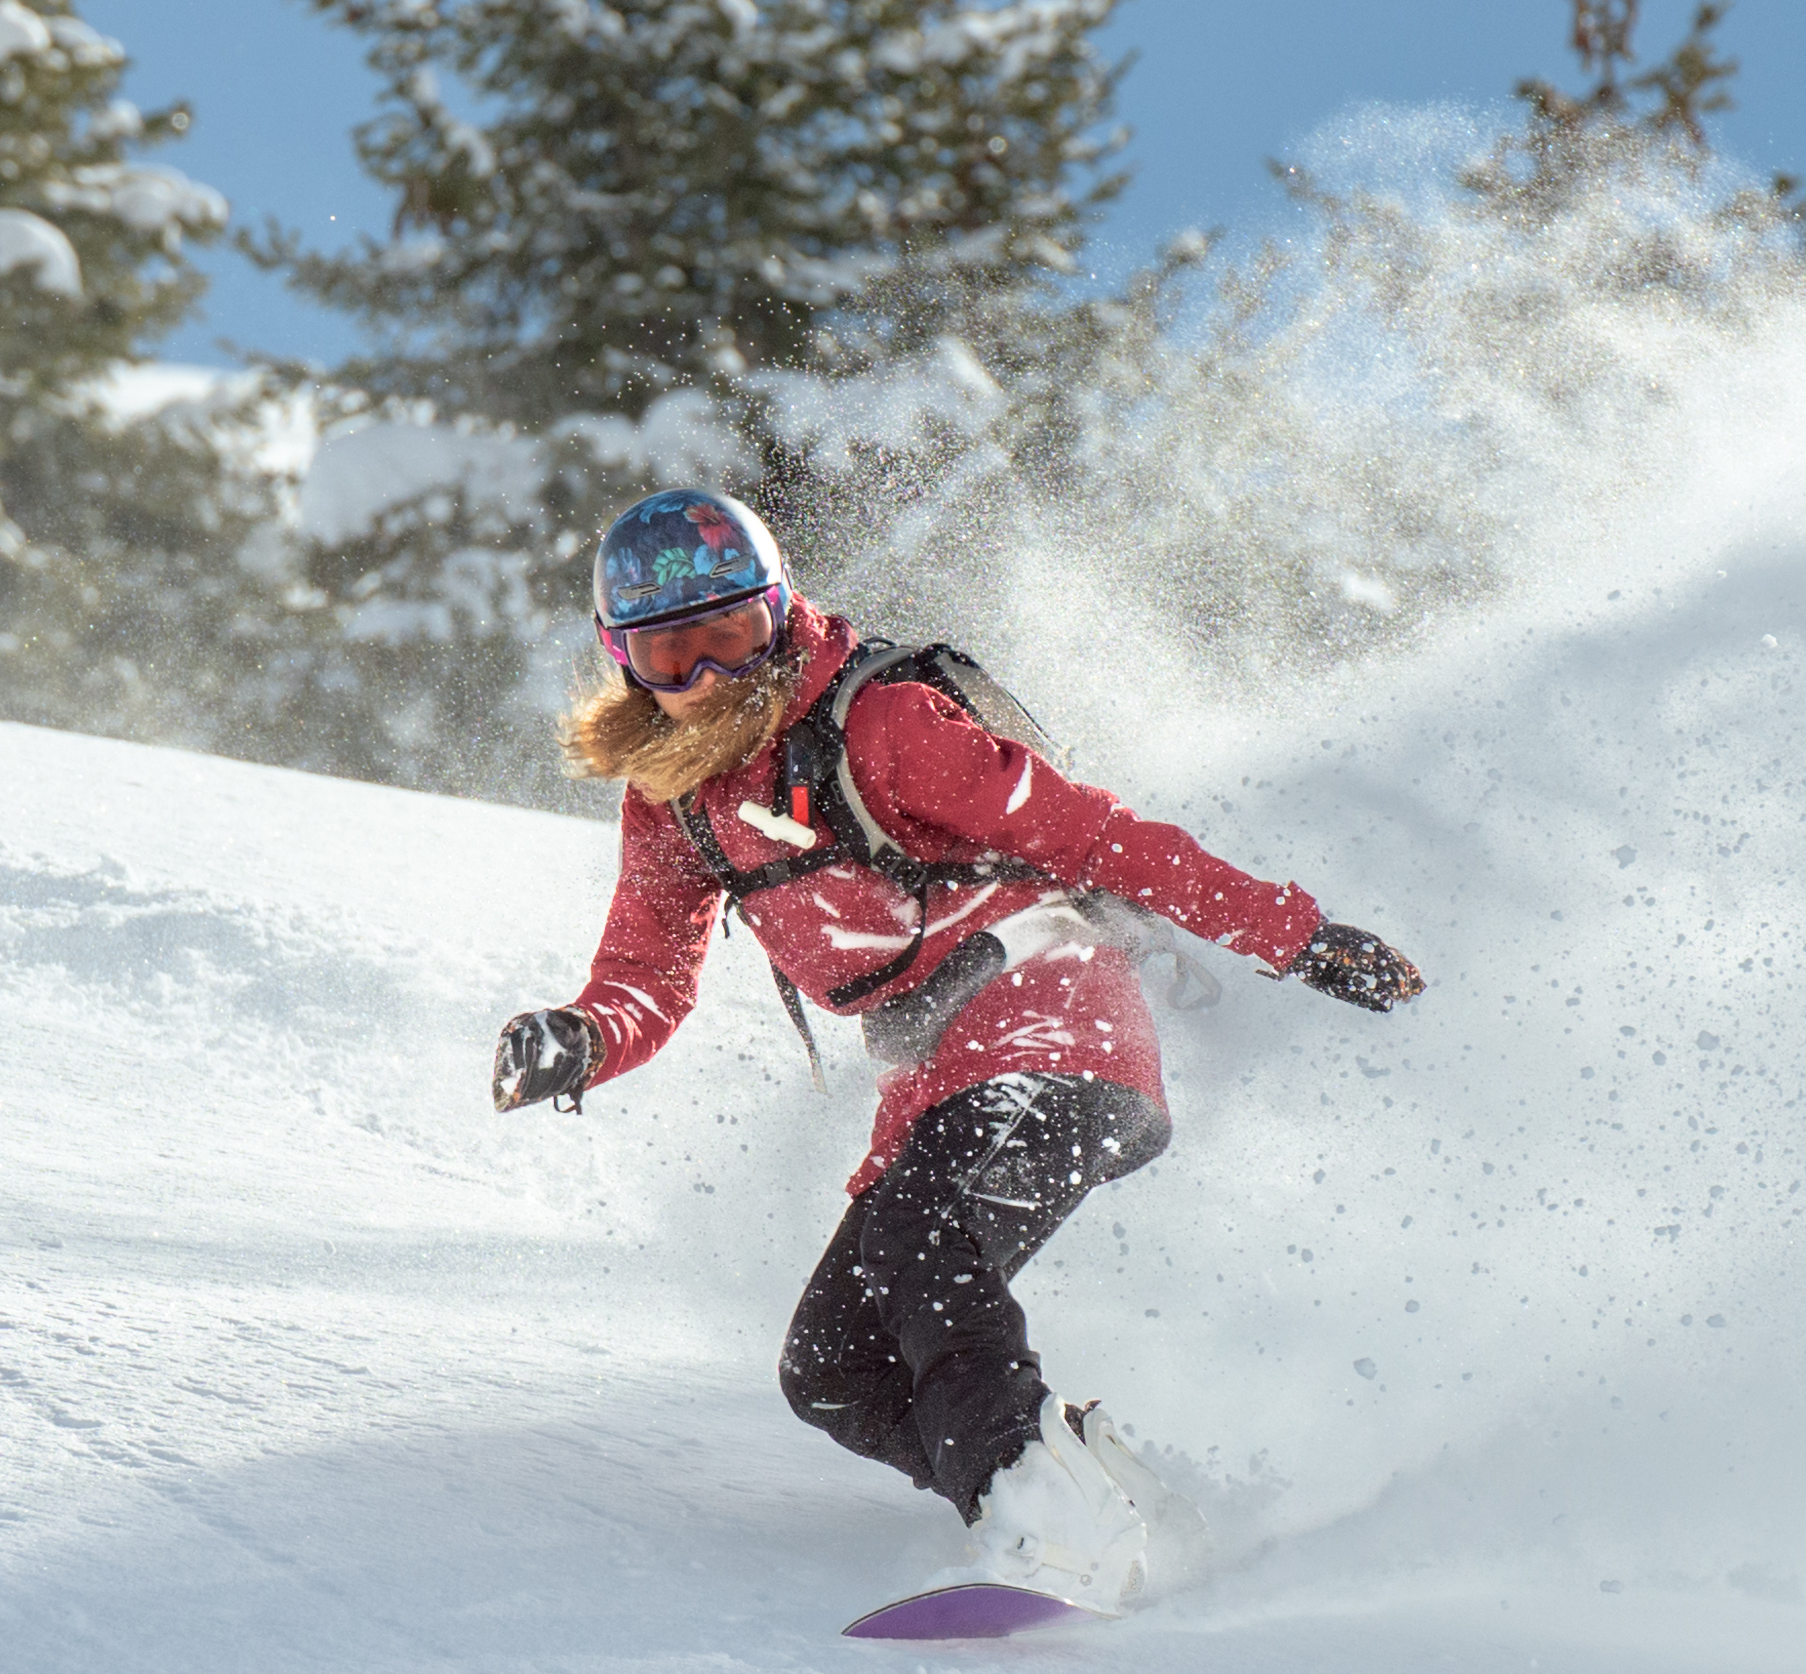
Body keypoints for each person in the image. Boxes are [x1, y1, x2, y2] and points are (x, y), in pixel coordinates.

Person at [491, 486, 1422, 1608]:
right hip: (929, 1075)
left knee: (928, 1249)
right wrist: (584, 1036)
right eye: (667, 653)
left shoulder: (883, 726)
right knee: (831, 1367)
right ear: (623, 660)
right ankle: (1096, 1495)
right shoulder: (673, 797)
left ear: (779, 614)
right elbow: (646, 973)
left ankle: (1048, 1521)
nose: (706, 682)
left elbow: (1097, 835)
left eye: (729, 638)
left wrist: (1296, 935)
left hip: (1057, 1021)